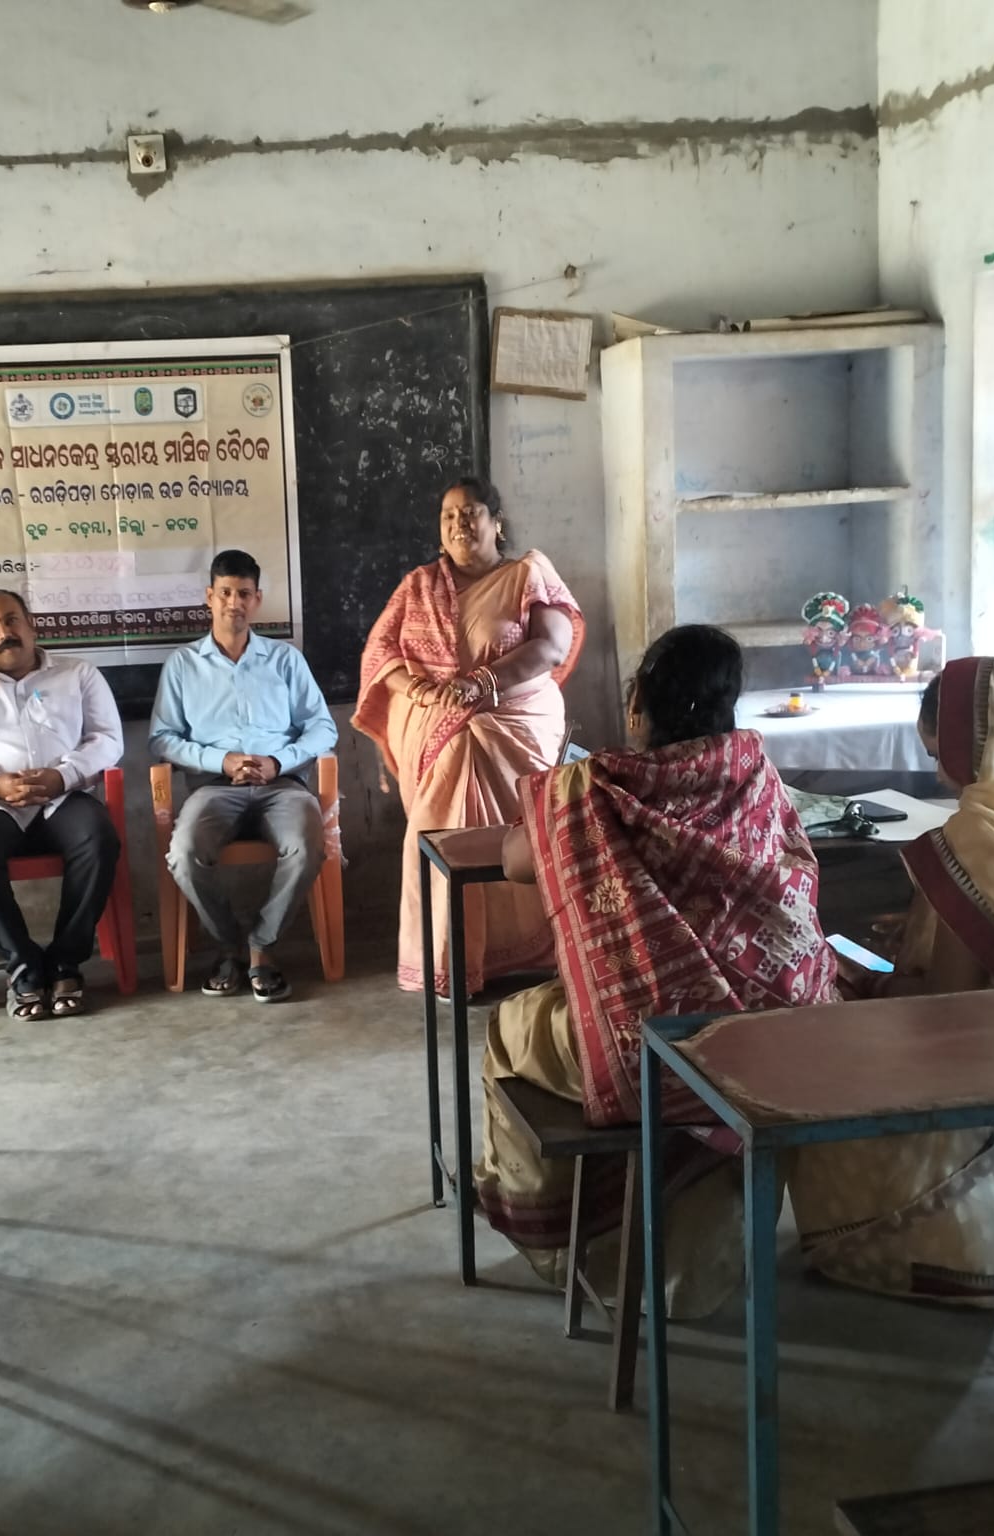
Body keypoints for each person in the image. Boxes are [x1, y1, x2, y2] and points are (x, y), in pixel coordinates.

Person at [474, 626, 838, 1316]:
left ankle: (569, 1241)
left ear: (638, 704)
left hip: (659, 1052)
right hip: (780, 1032)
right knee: (702, 1052)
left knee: (514, 1026)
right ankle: (706, 1262)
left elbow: (518, 860)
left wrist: (547, 801)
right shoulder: (754, 770)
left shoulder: (592, 786)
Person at [787, 656, 994, 1306]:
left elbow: (946, 1008)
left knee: (822, 1048)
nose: (937, 775)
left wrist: (870, 980)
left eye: (939, 755)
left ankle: (913, 1250)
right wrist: (927, 928)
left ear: (974, 746)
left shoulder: (977, 836)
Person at [352, 477, 583, 996]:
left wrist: (482, 684)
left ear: (495, 521)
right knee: (435, 839)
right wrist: (419, 690)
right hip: (437, 731)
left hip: (515, 730)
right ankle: (450, 962)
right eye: (448, 515)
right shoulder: (418, 586)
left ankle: (532, 956)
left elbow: (552, 646)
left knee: (524, 840)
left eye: (470, 511)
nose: (459, 522)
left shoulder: (527, 573)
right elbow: (380, 654)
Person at [149, 550, 339, 1003]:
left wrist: (277, 760)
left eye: (244, 594)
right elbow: (161, 739)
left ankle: (261, 947)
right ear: (209, 597)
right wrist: (222, 761)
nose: (234, 603)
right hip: (214, 788)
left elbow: (323, 728)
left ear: (257, 600)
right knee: (184, 853)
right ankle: (229, 943)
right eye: (226, 593)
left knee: (308, 844)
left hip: (281, 786)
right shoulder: (183, 665)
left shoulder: (285, 659)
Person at [0, 588, 123, 1020]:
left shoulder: (79, 674)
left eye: (11, 620)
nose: (4, 633)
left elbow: (108, 739)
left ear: (31, 624)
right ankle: (23, 967)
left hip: (65, 797)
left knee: (99, 840)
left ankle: (66, 962)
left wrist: (63, 776)